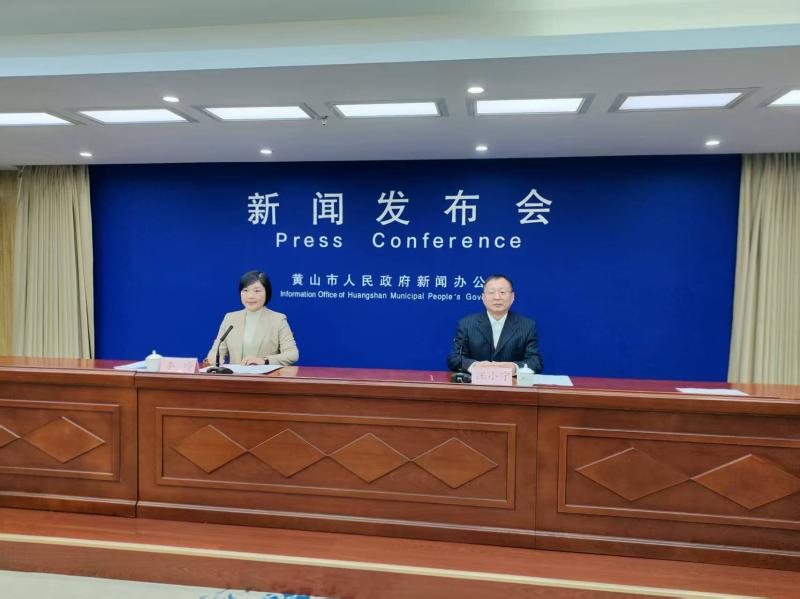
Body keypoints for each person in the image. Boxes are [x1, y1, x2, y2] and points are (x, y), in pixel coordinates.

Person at [447, 274, 542, 374]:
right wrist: (475, 366)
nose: (497, 297)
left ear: (512, 297)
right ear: (483, 297)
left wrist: (515, 367)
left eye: (502, 292)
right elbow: (454, 359)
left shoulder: (527, 325)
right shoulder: (466, 324)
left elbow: (535, 362)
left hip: (512, 382)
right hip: (476, 382)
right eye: (491, 292)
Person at [206, 271, 299, 366]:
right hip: (236, 375)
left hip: (265, 375)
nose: (250, 296)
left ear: (267, 293)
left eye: (257, 291)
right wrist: (214, 359)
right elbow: (216, 351)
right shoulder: (230, 318)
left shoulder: (278, 320)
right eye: (245, 290)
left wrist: (264, 360)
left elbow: (292, 354)